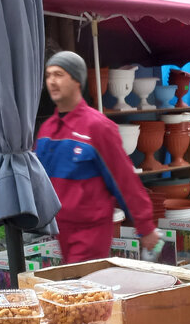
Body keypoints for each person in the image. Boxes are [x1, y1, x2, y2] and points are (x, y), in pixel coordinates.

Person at [36, 51, 159, 263]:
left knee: (85, 290)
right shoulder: (46, 131)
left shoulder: (98, 127)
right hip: (58, 233)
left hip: (90, 233)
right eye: (48, 75)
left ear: (77, 80)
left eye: (59, 74)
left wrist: (145, 226)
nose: (52, 81)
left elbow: (124, 180)